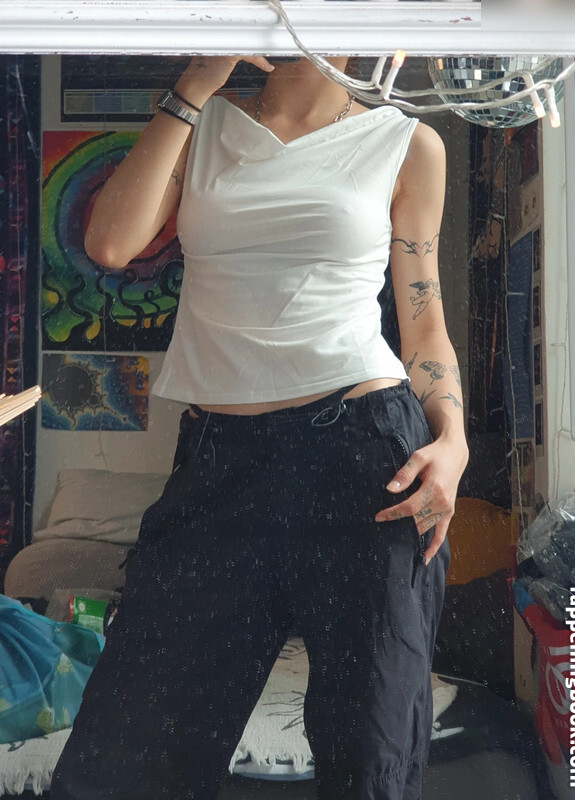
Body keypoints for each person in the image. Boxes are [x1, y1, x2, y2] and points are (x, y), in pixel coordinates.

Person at [50, 54, 469, 800]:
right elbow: (110, 244)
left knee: (369, 747)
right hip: (220, 461)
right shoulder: (201, 122)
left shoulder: (407, 143)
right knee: (130, 745)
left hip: (363, 455)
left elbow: (423, 317)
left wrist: (453, 440)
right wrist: (196, 81)